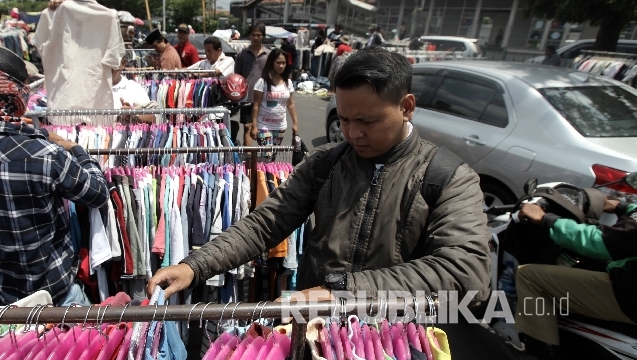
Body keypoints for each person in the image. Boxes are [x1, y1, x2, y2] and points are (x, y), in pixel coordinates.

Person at [147, 48, 491, 301]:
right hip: (317, 335)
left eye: (367, 121)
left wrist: (341, 291)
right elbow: (266, 223)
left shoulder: (448, 178)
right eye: (344, 119)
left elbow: (466, 273)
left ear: (406, 107)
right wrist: (195, 265)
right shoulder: (326, 162)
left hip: (397, 344)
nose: (352, 132)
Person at [0, 45, 109, 305]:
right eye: (23, 86)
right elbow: (97, 193)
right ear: (12, 92)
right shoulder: (46, 155)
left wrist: (30, 134)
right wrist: (78, 151)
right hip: (54, 294)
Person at [502, 198, 637, 360]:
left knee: (530, 276)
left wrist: (547, 220)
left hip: (627, 293)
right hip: (627, 276)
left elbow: (601, 241)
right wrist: (622, 207)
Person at [250, 48, 298, 149]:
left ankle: (260, 165)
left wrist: (295, 123)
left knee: (272, 158)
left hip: (280, 126)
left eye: (283, 63)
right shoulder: (262, 82)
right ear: (271, 63)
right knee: (267, 155)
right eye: (278, 62)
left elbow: (290, 104)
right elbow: (256, 105)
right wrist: (254, 126)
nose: (281, 66)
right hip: (264, 125)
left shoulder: (288, 83)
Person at [233, 22, 270, 146]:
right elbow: (237, 76)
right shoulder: (242, 54)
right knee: (248, 127)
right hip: (247, 97)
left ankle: (264, 161)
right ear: (249, 36)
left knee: (264, 129)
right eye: (253, 35)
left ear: (263, 36)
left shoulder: (269, 55)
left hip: (265, 97)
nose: (256, 37)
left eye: (259, 35)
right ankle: (248, 158)